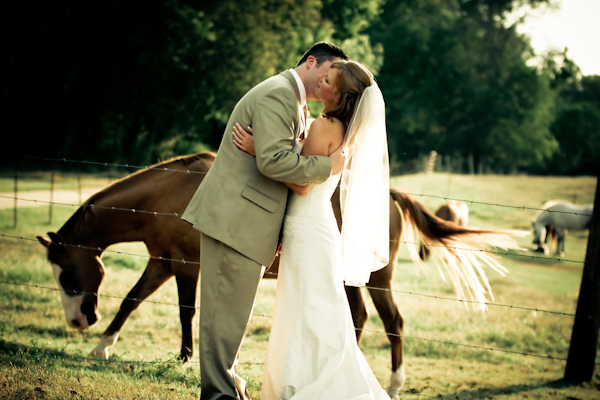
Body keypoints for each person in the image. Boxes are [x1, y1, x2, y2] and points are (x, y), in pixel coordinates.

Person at [181, 42, 349, 400]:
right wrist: (328, 167)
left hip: (249, 223)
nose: (329, 84)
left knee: (231, 320)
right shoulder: (279, 95)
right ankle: (219, 395)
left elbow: (275, 159)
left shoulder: (296, 102)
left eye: (336, 81)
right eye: (328, 74)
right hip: (236, 221)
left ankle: (231, 388)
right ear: (310, 62)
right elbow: (273, 162)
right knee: (221, 322)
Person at [233, 60, 391, 399]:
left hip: (306, 227)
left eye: (329, 81)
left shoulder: (323, 127)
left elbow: (302, 185)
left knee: (303, 309)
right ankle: (308, 380)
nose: (320, 82)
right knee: (315, 309)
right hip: (317, 226)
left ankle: (306, 386)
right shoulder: (347, 129)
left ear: (341, 94)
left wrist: (259, 149)